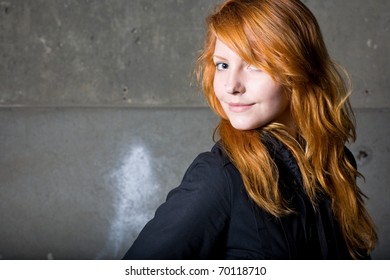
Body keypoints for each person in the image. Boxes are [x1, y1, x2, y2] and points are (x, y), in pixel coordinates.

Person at [123, 0, 377, 259]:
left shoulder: (336, 162)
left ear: (298, 67)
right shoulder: (219, 177)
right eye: (222, 65)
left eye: (254, 64)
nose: (231, 85)